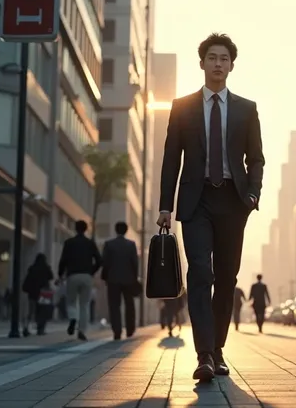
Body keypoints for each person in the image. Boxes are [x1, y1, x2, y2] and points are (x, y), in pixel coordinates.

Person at [157, 33, 265, 381]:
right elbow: (171, 158)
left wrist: (252, 195)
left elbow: (256, 159)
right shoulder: (183, 107)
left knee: (226, 279)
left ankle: (217, 349)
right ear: (202, 63)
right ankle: (204, 355)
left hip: (233, 201)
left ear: (232, 65)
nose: (218, 63)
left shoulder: (247, 109)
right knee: (200, 274)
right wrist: (165, 206)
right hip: (196, 200)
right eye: (212, 57)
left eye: (224, 58)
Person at [58, 220, 102, 341]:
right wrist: (91, 271)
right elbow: (99, 260)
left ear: (75, 228)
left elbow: (63, 260)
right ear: (86, 229)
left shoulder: (69, 243)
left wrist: (60, 274)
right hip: (86, 276)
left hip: (72, 275)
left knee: (71, 301)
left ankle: (73, 318)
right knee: (84, 304)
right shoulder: (90, 243)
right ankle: (82, 330)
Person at [102, 221, 139, 340]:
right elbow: (135, 263)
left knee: (114, 305)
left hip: (113, 279)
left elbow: (105, 263)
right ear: (126, 230)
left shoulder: (109, 244)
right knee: (129, 304)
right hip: (129, 279)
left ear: (116, 230)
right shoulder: (131, 245)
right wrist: (135, 277)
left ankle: (117, 331)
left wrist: (105, 276)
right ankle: (130, 329)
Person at [22, 253, 55, 336]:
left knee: (31, 311)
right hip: (43, 293)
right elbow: (51, 276)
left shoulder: (32, 268)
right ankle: (40, 329)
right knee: (42, 311)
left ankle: (26, 327)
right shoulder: (46, 268)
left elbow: (27, 280)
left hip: (32, 292)